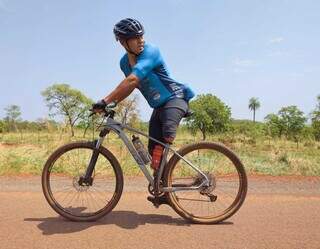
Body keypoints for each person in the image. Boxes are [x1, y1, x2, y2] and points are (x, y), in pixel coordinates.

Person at [92, 18, 195, 205]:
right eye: (135, 37)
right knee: (153, 155)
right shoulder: (124, 63)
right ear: (123, 42)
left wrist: (105, 100)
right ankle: (165, 191)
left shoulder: (151, 51)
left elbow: (132, 80)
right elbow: (131, 86)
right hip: (159, 107)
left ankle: (183, 183)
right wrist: (111, 104)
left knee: (162, 144)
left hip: (175, 100)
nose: (141, 40)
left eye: (141, 36)